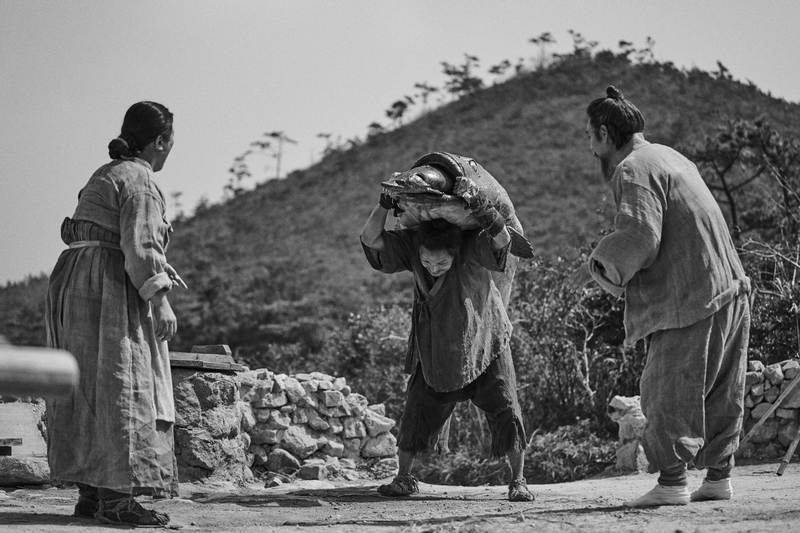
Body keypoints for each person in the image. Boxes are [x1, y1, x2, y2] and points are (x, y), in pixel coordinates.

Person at [568, 86, 751, 507]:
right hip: (730, 287)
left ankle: (672, 483)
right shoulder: (670, 155)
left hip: (690, 296)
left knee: (665, 390)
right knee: (723, 389)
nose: (589, 146)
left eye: (589, 136)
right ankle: (718, 479)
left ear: (604, 133)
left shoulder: (632, 168)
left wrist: (596, 265)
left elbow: (639, 235)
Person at [45, 101, 186, 526]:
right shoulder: (140, 181)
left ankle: (91, 493)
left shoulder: (104, 174)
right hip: (106, 284)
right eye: (171, 142)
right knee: (122, 383)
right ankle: (117, 500)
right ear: (160, 141)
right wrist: (160, 299)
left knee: (87, 386)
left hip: (74, 281)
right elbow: (141, 247)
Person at [360, 178, 534, 502]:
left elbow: (503, 240)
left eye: (442, 262)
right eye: (427, 262)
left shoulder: (471, 245)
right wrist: (384, 203)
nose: (434, 267)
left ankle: (518, 481)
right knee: (415, 411)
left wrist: (482, 207)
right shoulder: (411, 244)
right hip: (435, 347)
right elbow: (370, 238)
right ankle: (403, 478)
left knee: (507, 409)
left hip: (486, 340)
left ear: (455, 251)